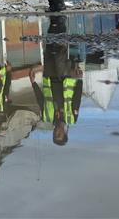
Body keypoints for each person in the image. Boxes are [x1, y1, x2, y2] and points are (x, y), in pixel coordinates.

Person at [29, 16, 83, 146]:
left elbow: (40, 100)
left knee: (48, 51)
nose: (56, 132)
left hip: (50, 77)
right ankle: (61, 24)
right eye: (59, 134)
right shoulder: (71, 118)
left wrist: (33, 83)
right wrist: (80, 81)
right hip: (65, 78)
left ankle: (53, 24)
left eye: (55, 135)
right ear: (65, 133)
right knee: (60, 53)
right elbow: (77, 99)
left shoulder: (47, 117)